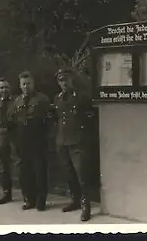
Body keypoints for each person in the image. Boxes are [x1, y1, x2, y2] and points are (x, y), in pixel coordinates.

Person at [53, 68, 94, 222]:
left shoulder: (81, 97)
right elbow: (56, 118)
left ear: (71, 80)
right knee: (69, 173)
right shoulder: (57, 98)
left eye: (66, 79)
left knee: (81, 174)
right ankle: (75, 200)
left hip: (77, 141)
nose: (64, 83)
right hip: (62, 141)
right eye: (61, 80)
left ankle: (86, 205)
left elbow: (90, 117)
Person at [9, 70, 51, 211]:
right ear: (20, 86)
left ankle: (41, 200)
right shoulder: (17, 101)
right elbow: (13, 121)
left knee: (40, 171)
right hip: (23, 141)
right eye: (23, 84)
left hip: (38, 140)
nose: (26, 86)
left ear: (33, 84)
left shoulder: (42, 99)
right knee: (25, 172)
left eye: (28, 84)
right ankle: (29, 199)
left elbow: (49, 120)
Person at [0, 78, 15, 205]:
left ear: (10, 88)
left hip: (14, 136)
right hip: (0, 137)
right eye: (1, 88)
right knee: (3, 167)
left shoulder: (16, 101)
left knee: (19, 165)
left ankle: (28, 195)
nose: (4, 90)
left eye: (6, 87)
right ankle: (7, 193)